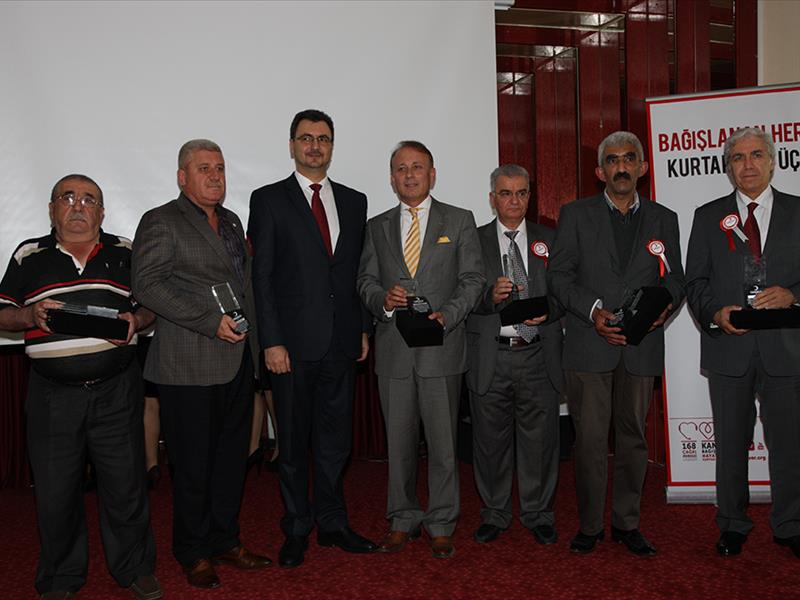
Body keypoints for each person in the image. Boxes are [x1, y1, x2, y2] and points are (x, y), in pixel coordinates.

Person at [0, 174, 161, 600]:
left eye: (89, 199)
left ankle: (134, 567)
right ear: (52, 208)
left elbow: (150, 308)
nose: (78, 205)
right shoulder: (29, 255)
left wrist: (135, 321)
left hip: (116, 391)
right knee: (56, 492)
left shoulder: (126, 251)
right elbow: (2, 313)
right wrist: (30, 315)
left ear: (102, 212)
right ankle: (60, 577)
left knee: (126, 486)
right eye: (67, 197)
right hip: (52, 395)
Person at [132, 139, 270, 589]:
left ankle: (225, 540)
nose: (215, 176)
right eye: (204, 168)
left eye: (220, 168)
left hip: (237, 360)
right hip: (187, 364)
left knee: (232, 460)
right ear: (182, 177)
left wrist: (258, 346)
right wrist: (211, 323)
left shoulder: (231, 221)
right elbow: (148, 286)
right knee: (192, 466)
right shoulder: (160, 220)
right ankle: (192, 551)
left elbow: (243, 287)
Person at [248, 109, 376, 568]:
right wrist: (271, 341)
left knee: (335, 443)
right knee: (294, 444)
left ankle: (333, 523)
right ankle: (297, 527)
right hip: (291, 347)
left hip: (342, 343)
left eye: (323, 139)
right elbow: (262, 278)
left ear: (332, 146)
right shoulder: (268, 200)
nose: (314, 146)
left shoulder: (355, 201)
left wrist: (363, 327)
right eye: (306, 138)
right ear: (292, 145)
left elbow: (359, 272)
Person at [548, 131, 685, 556]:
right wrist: (593, 311)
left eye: (629, 159)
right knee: (589, 441)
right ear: (600, 171)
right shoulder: (575, 214)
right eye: (612, 160)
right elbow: (558, 277)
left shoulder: (665, 218)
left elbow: (675, 278)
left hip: (642, 344)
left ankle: (627, 523)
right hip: (590, 343)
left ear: (643, 167)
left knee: (633, 438)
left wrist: (664, 309)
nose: (621, 167)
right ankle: (590, 525)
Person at [358, 140, 485, 559]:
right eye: (401, 168)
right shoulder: (376, 226)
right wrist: (382, 300)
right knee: (399, 445)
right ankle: (402, 518)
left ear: (432, 174)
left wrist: (449, 315)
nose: (409, 175)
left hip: (442, 348)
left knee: (444, 445)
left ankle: (442, 522)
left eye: (417, 167)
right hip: (394, 351)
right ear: (391, 178)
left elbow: (473, 279)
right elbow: (364, 281)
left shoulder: (460, 220)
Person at [685, 126, 800, 559]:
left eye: (756, 155)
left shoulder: (798, 211)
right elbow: (695, 281)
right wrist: (715, 313)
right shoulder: (707, 216)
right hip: (728, 350)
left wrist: (793, 296)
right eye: (738, 157)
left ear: (772, 162)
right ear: (728, 167)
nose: (747, 164)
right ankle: (732, 523)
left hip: (786, 349)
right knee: (731, 446)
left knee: (790, 446)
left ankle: (791, 524)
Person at [465, 164, 564, 546]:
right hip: (491, 354)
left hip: (537, 354)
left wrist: (549, 311)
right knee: (489, 442)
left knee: (540, 441)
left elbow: (566, 291)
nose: (514, 201)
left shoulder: (550, 239)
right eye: (506, 193)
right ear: (492, 199)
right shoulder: (473, 240)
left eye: (521, 193)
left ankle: (538, 513)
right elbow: (461, 294)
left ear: (529, 196)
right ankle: (494, 512)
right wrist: (488, 297)